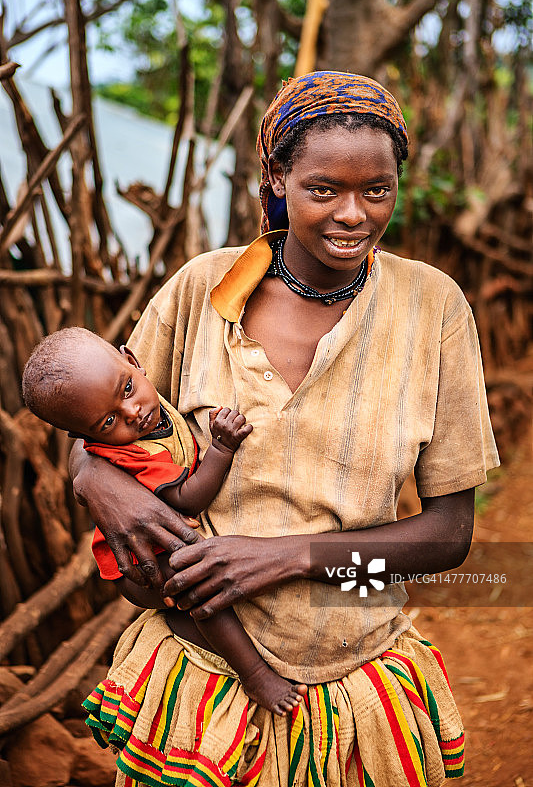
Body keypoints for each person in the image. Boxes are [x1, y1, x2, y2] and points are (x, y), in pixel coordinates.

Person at [68, 72, 499, 787]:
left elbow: (449, 536)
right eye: (323, 189)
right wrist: (96, 480)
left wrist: (287, 557)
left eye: (378, 190)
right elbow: (95, 425)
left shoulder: (433, 308)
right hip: (200, 680)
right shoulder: (201, 290)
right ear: (276, 177)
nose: (353, 215)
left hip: (355, 668)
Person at [21, 327, 307, 716]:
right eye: (108, 421)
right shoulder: (131, 452)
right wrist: (222, 447)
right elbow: (188, 498)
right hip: (141, 563)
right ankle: (254, 675)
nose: (133, 413)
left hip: (161, 545)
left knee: (192, 594)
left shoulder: (157, 404)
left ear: (133, 361)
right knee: (200, 587)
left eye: (126, 389)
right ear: (84, 435)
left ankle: (188, 625)